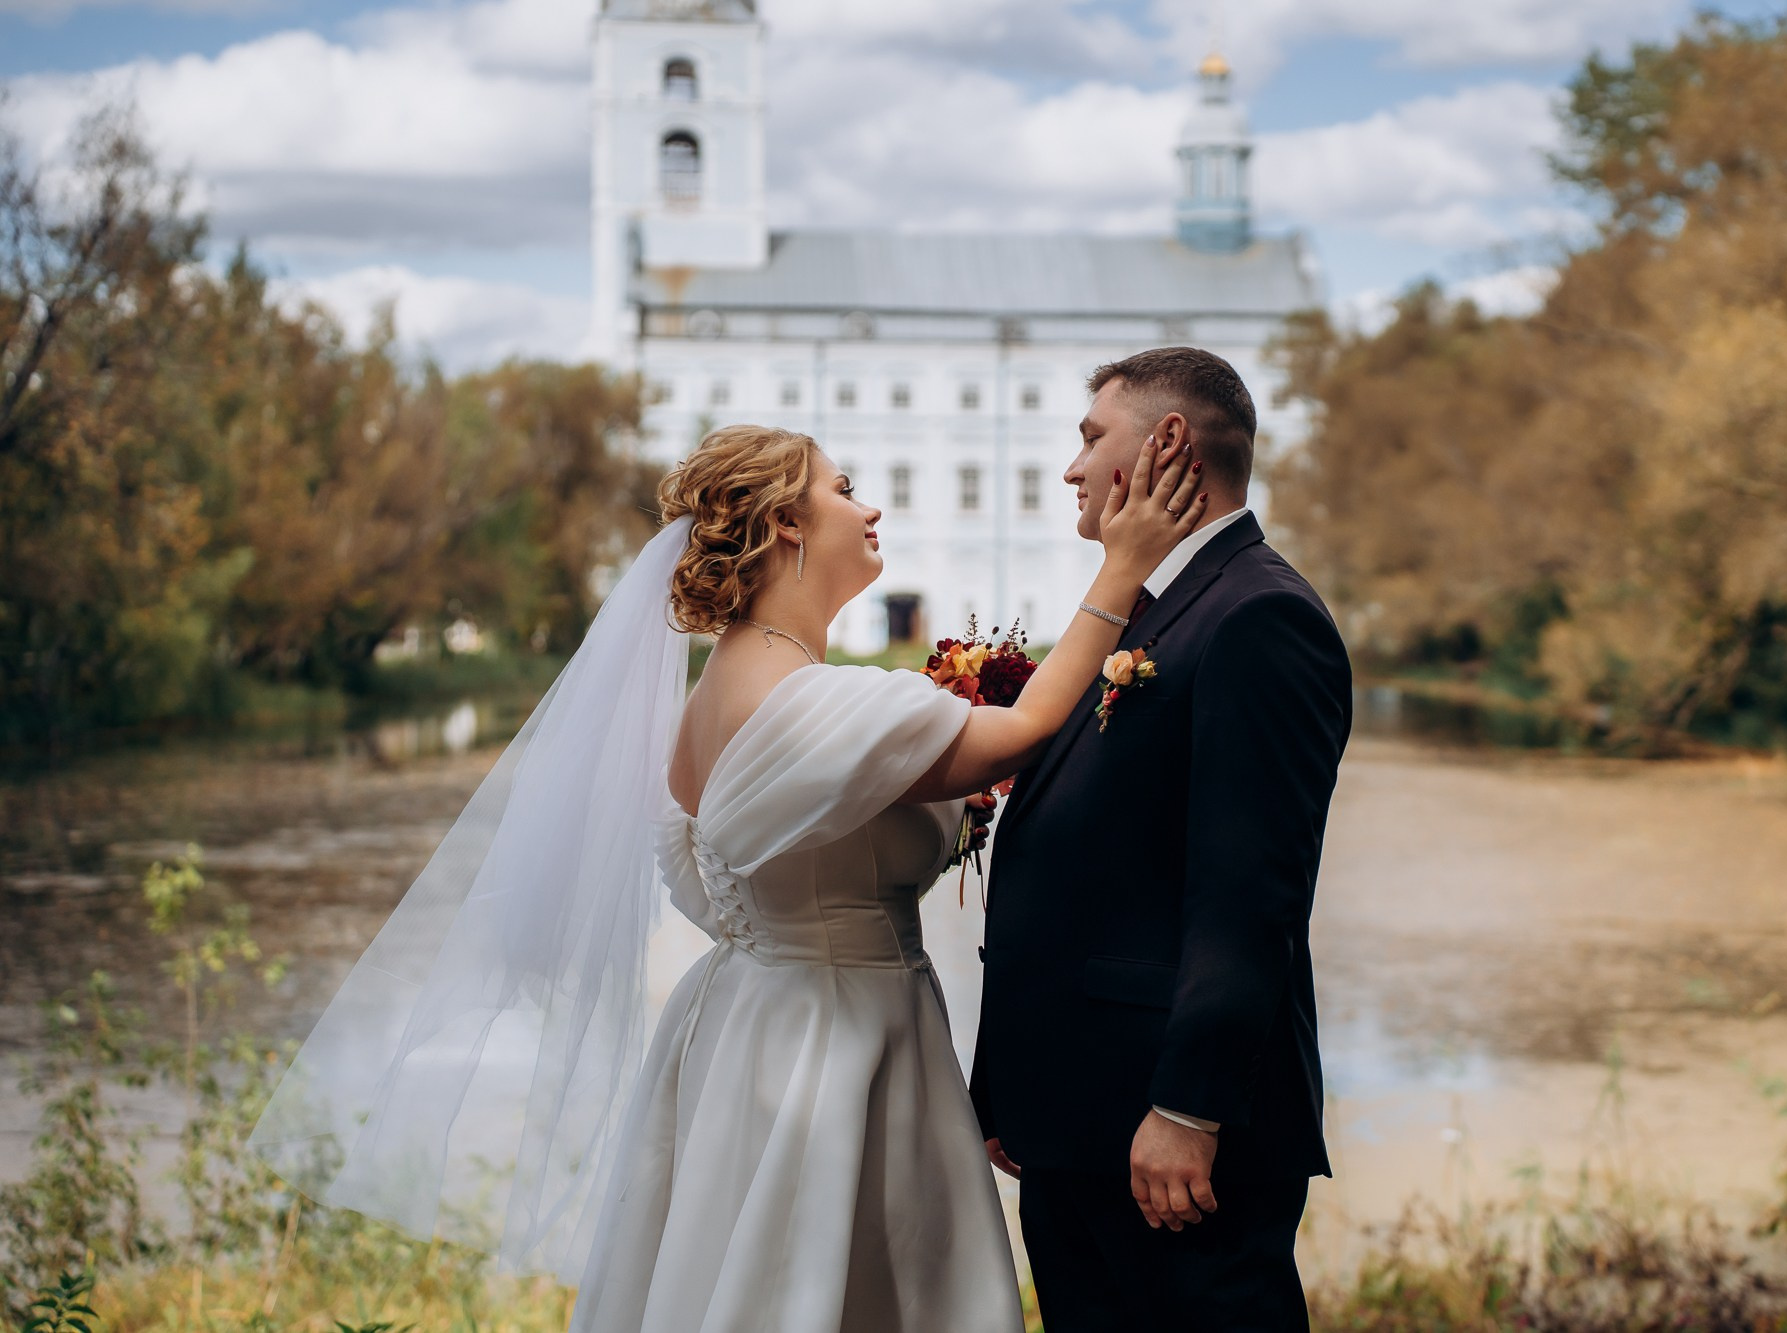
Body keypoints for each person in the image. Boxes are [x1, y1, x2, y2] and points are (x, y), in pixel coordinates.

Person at [249, 421, 1206, 1332]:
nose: (869, 509)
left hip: (742, 1027)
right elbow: (1028, 730)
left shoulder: (713, 700)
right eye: (844, 489)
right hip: (836, 1046)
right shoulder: (813, 702)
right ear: (786, 523)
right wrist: (1122, 568)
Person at [972, 347, 1353, 1332]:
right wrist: (1023, 1086)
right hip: (1085, 1117)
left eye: (1090, 437)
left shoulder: (1256, 615)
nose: (1071, 468)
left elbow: (1248, 889)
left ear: (1168, 442)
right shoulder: (1157, 609)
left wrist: (1188, 1109)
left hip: (1169, 1136)